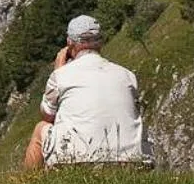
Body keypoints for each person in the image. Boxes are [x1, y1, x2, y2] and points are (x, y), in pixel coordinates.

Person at [23, 14, 151, 169]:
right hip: (132, 163)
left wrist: (58, 69)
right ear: (100, 43)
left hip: (77, 161)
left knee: (40, 128)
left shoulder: (61, 75)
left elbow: (47, 115)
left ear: (69, 44)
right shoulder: (128, 75)